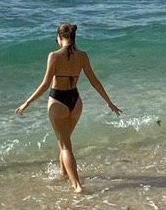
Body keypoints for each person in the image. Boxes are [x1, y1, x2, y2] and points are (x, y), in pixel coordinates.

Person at [15, 22, 121, 192]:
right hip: (76, 102)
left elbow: (45, 84)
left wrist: (27, 103)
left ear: (59, 38)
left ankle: (76, 185)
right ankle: (63, 173)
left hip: (58, 101)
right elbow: (95, 81)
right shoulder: (83, 56)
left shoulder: (54, 56)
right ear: (73, 37)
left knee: (65, 145)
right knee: (64, 140)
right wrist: (109, 102)